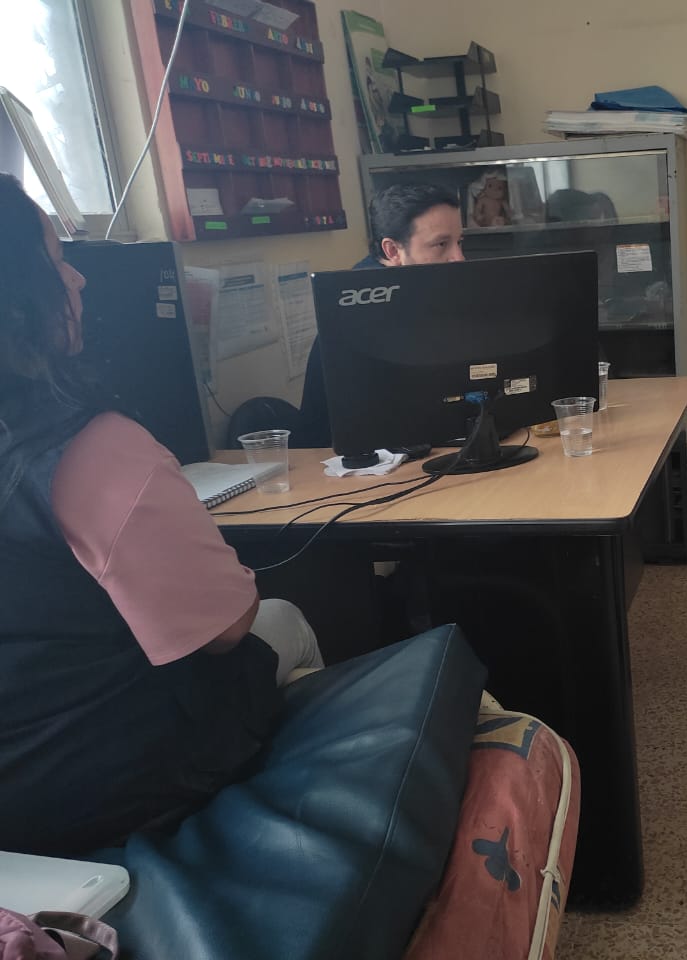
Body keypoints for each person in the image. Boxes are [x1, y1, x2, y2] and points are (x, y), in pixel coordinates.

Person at [0, 174, 324, 855]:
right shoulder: (94, 448)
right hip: (104, 782)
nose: (78, 279)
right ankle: (308, 816)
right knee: (282, 618)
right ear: (19, 299)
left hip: (15, 791)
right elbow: (225, 630)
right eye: (57, 261)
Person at [296, 183, 464, 448]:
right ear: (393, 251)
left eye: (459, 242)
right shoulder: (363, 308)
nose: (459, 257)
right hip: (350, 461)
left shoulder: (420, 289)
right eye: (441, 244)